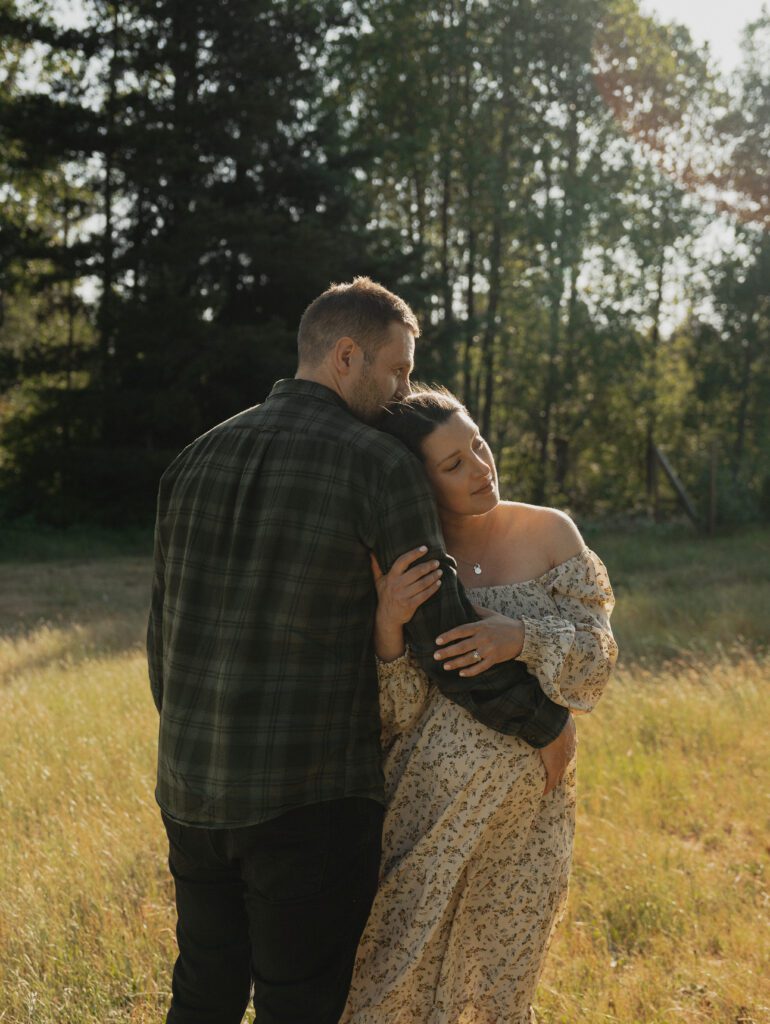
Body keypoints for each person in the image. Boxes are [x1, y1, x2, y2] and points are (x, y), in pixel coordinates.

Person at [147, 277, 575, 1024]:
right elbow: (443, 635)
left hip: (190, 789)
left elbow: (162, 636)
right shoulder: (376, 462)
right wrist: (545, 724)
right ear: (347, 356)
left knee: (203, 994)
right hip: (308, 797)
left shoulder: (193, 458)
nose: (404, 390)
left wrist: (191, 748)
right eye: (399, 370)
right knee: (301, 1005)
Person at [341, 386, 618, 1024]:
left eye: (478, 445)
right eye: (453, 464)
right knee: (389, 984)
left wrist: (520, 637)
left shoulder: (550, 533)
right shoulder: (411, 561)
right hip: (425, 812)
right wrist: (388, 623)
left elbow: (598, 659)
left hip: (529, 819)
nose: (480, 467)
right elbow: (396, 714)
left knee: (498, 991)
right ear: (422, 484)